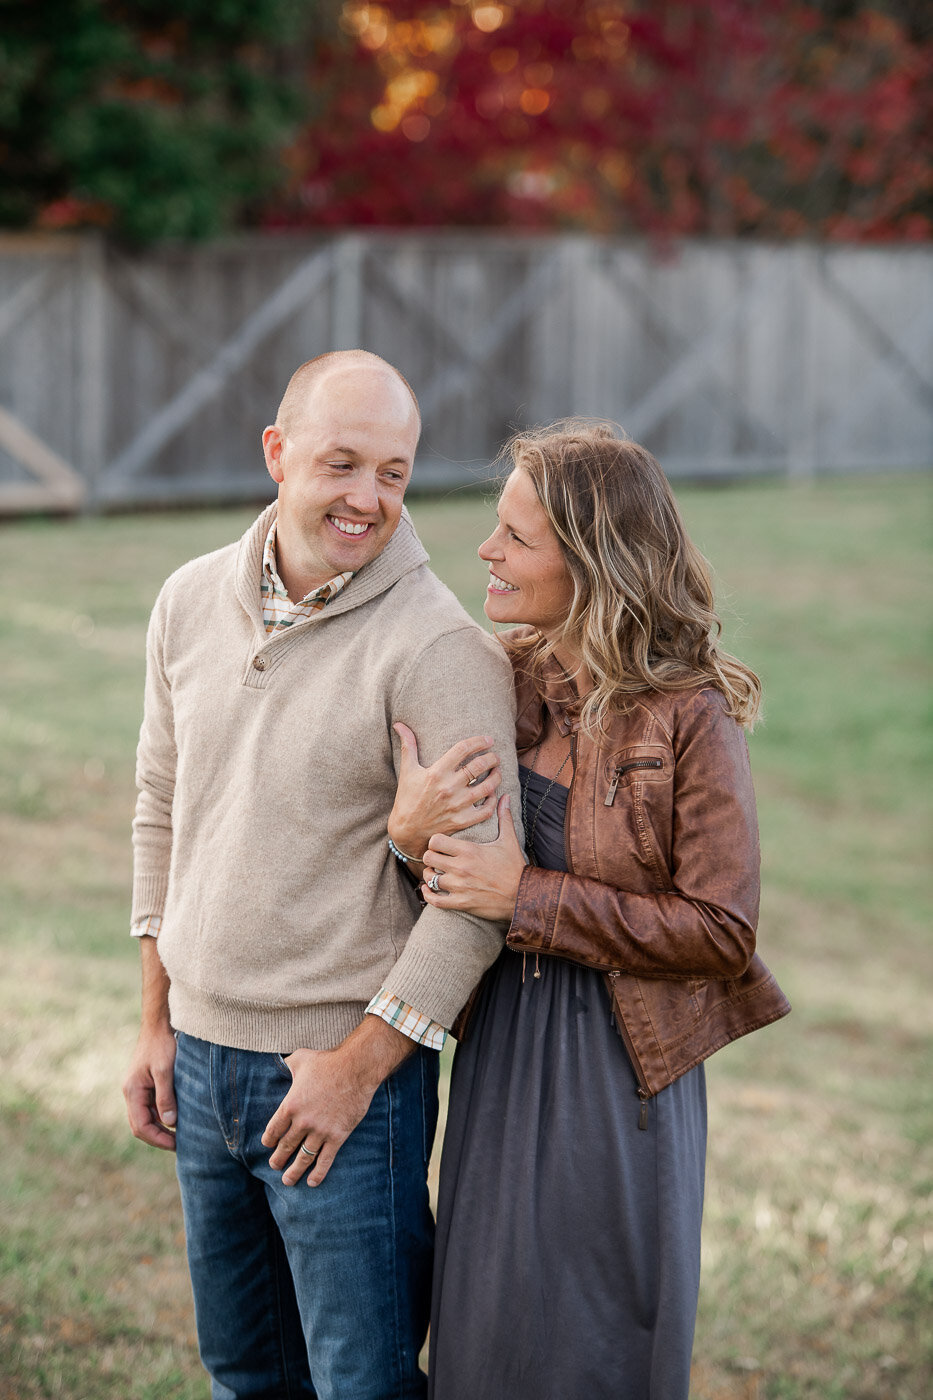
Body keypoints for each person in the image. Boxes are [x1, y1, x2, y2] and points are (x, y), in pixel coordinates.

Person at [121, 349, 522, 1400]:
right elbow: (162, 808)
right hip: (199, 1059)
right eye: (341, 463)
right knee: (244, 1374)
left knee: (363, 1384)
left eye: (393, 472)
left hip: (342, 1079)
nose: (367, 497)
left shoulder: (439, 650)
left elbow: (478, 904)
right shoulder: (187, 599)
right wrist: (158, 1018)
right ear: (277, 452)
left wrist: (356, 1069)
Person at [387, 421, 791, 1400]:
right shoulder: (497, 682)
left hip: (619, 1072)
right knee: (487, 1329)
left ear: (591, 560)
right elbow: (444, 880)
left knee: (594, 1341)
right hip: (499, 1050)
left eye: (516, 536)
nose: (486, 549)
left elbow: (722, 930)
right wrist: (407, 835)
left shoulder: (688, 714)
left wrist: (528, 898)